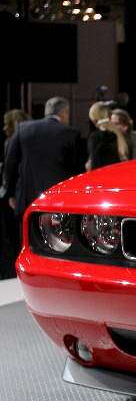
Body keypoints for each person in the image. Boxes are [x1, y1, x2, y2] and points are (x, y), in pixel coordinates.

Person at [5, 96, 85, 219]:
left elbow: (11, 163)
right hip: (59, 201)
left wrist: (11, 193)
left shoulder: (23, 129)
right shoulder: (71, 133)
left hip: (27, 199)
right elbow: (77, 170)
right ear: (64, 112)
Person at [0, 109, 30, 278]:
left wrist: (8, 191)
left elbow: (9, 168)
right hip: (28, 188)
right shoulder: (32, 139)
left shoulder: (11, 141)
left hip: (14, 191)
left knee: (12, 232)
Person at [87, 101, 130, 171]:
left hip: (103, 176)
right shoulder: (119, 134)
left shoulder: (95, 137)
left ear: (93, 119)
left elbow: (95, 165)